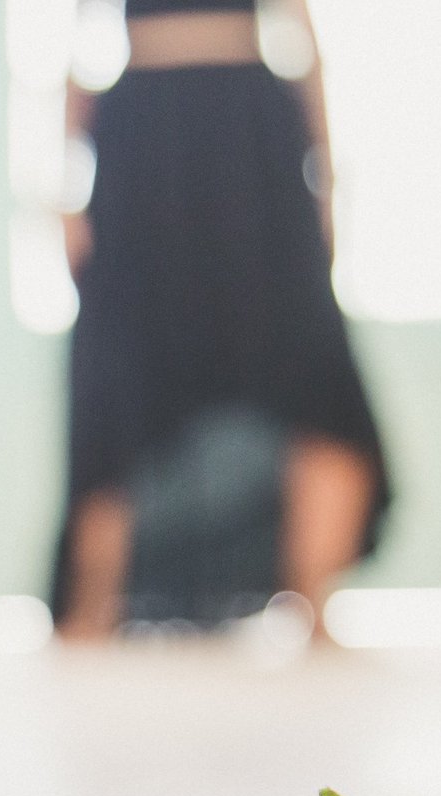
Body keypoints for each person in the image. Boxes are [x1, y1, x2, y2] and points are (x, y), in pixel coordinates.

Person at [54, 0, 389, 639]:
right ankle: (93, 601)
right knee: (116, 368)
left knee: (312, 363)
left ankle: (316, 601)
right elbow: (73, 44)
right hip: (143, 136)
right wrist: (66, 187)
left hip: (252, 135)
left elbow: (302, 30)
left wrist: (327, 180)